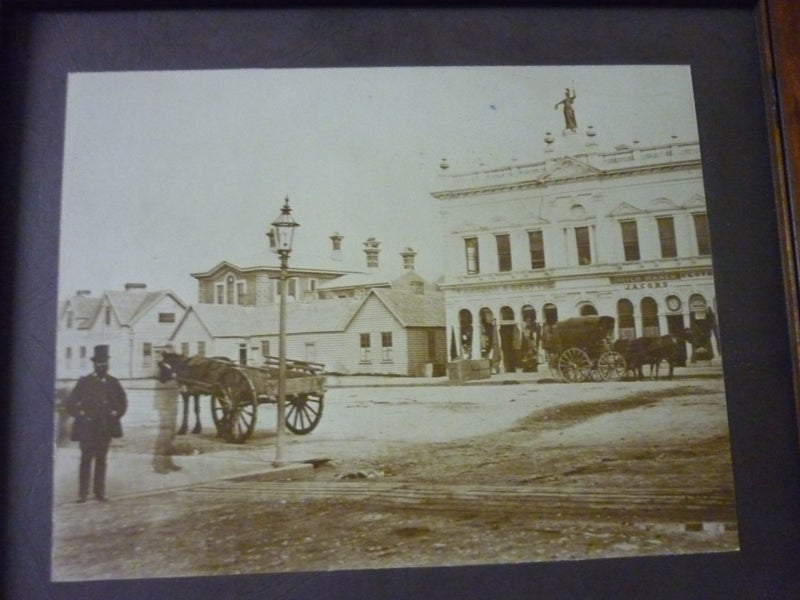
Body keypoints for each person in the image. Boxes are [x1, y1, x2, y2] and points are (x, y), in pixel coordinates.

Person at [65, 344, 127, 503]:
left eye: (105, 362)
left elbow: (123, 402)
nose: (102, 365)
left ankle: (100, 492)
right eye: (99, 362)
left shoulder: (113, 382)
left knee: (101, 459)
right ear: (94, 364)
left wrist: (117, 413)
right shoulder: (84, 382)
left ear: (108, 363)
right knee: (86, 459)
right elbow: (70, 403)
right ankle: (82, 494)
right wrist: (81, 415)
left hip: (105, 428)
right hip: (87, 428)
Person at [152, 345, 183, 474]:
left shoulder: (169, 367)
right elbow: (164, 379)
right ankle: (158, 464)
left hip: (172, 403)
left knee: (171, 433)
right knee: (164, 433)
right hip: (164, 405)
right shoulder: (161, 367)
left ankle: (168, 461)